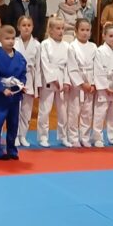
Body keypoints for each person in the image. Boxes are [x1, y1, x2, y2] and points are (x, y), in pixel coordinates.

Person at [0, 25, 27, 160]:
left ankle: (12, 150)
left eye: (12, 38)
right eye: (7, 38)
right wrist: (1, 89)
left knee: (13, 124)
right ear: (0, 39)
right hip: (1, 96)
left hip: (15, 96)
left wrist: (21, 86)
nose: (10, 41)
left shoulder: (20, 58)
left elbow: (23, 75)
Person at [38, 17, 71, 147]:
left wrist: (66, 81)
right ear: (50, 30)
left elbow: (69, 65)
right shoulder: (45, 44)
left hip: (63, 76)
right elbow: (44, 62)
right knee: (45, 110)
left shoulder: (67, 46)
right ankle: (43, 136)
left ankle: (63, 136)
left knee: (63, 111)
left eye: (62, 28)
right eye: (58, 28)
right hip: (49, 79)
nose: (61, 31)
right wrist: (53, 78)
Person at [66, 18, 97, 147]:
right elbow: (72, 68)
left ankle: (85, 137)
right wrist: (81, 84)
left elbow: (97, 66)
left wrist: (93, 83)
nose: (85, 32)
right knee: (74, 111)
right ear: (76, 30)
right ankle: (73, 137)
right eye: (82, 30)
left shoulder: (93, 47)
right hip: (77, 83)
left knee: (87, 112)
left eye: (87, 30)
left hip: (90, 80)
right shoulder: (72, 47)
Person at [15, 15, 41, 147]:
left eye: (29, 25)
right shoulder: (14, 42)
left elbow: (39, 66)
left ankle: (23, 135)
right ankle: (14, 135)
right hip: (16, 78)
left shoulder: (37, 45)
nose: (26, 28)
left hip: (30, 76)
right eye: (24, 25)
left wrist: (38, 85)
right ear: (18, 27)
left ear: (33, 27)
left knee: (26, 109)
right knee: (15, 109)